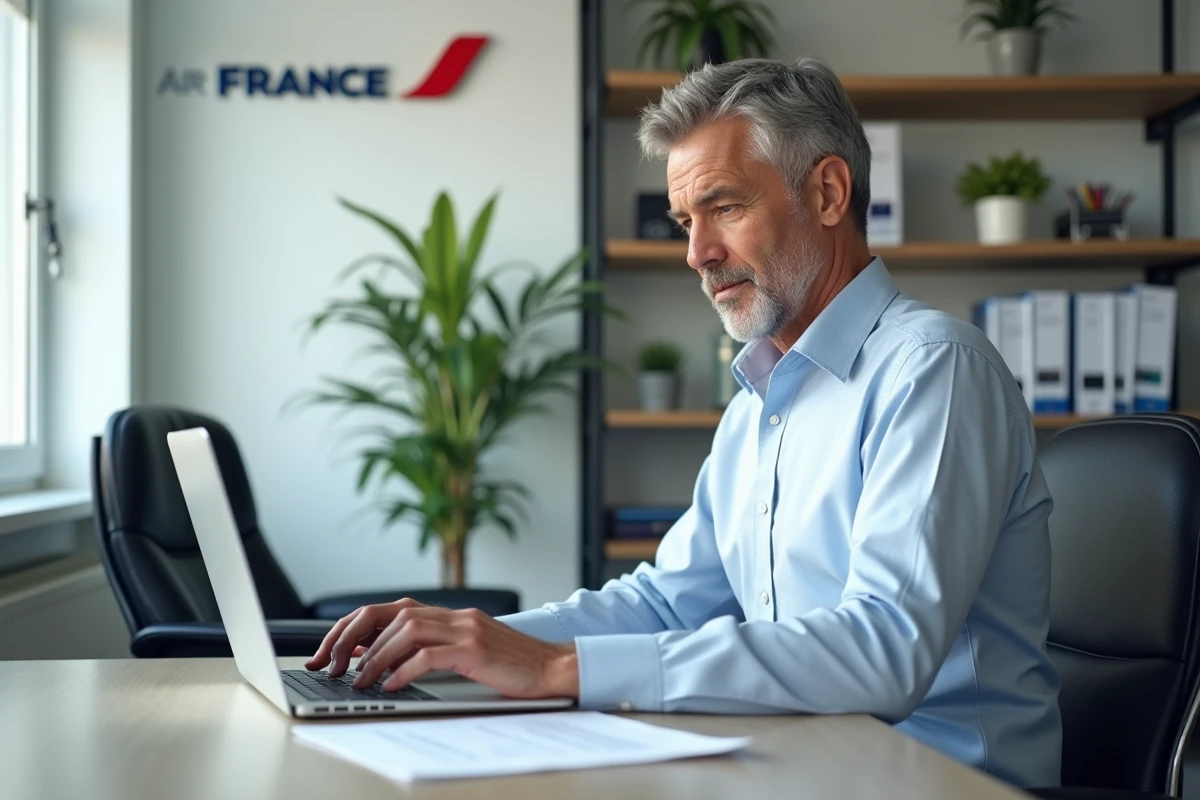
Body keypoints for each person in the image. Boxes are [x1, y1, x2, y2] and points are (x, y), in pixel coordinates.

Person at [306, 57, 1062, 788]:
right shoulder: (756, 405)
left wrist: (560, 670)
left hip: (937, 779)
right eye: (684, 221)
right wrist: (471, 639)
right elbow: (669, 601)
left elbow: (885, 650)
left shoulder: (933, 368)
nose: (698, 253)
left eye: (726, 207)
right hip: (804, 760)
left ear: (829, 193)